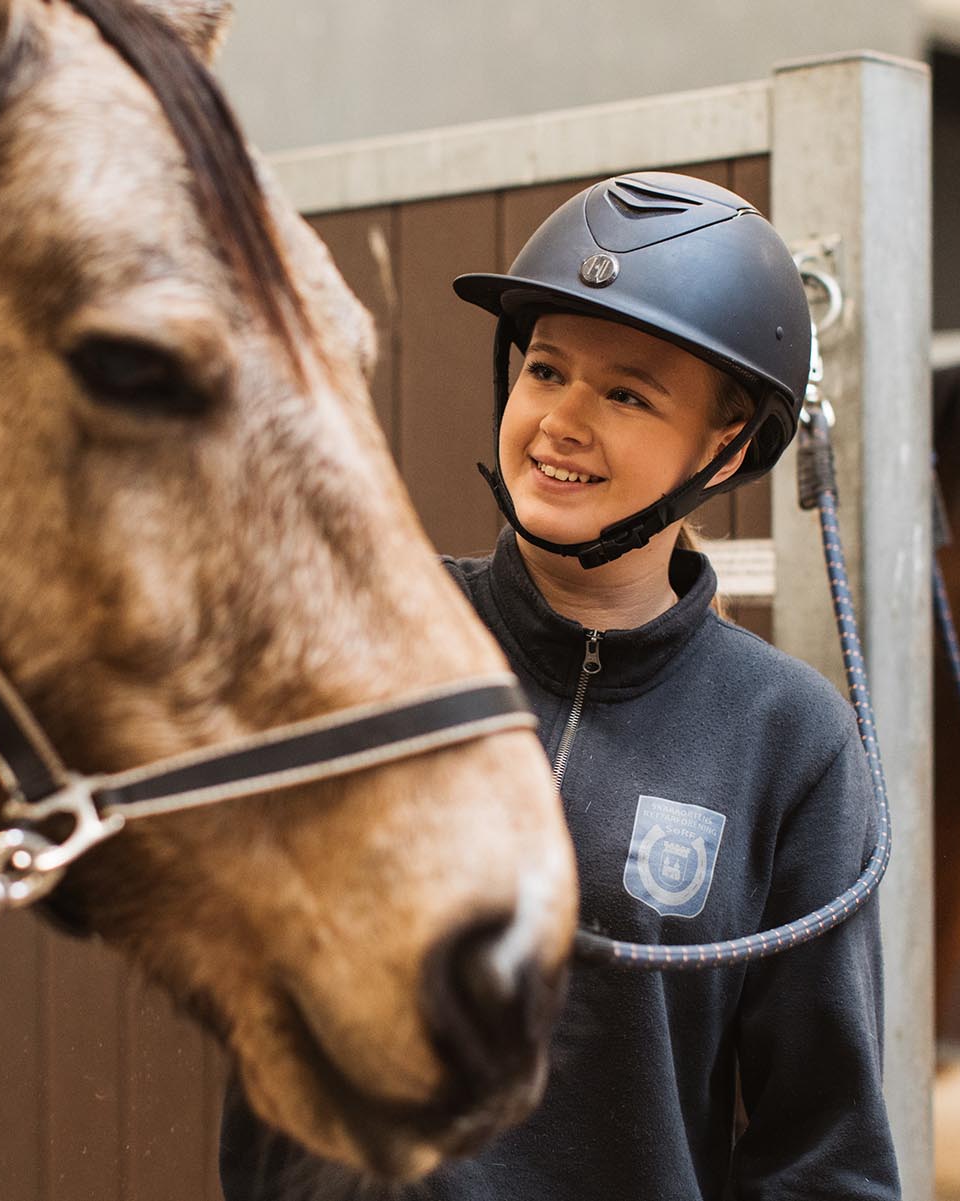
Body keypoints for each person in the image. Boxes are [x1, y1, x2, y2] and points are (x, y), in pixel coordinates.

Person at [219, 172, 899, 1200]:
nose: (560, 422)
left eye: (625, 393)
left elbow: (826, 1158)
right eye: (544, 370)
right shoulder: (372, 642)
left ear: (726, 442)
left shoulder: (790, 744)